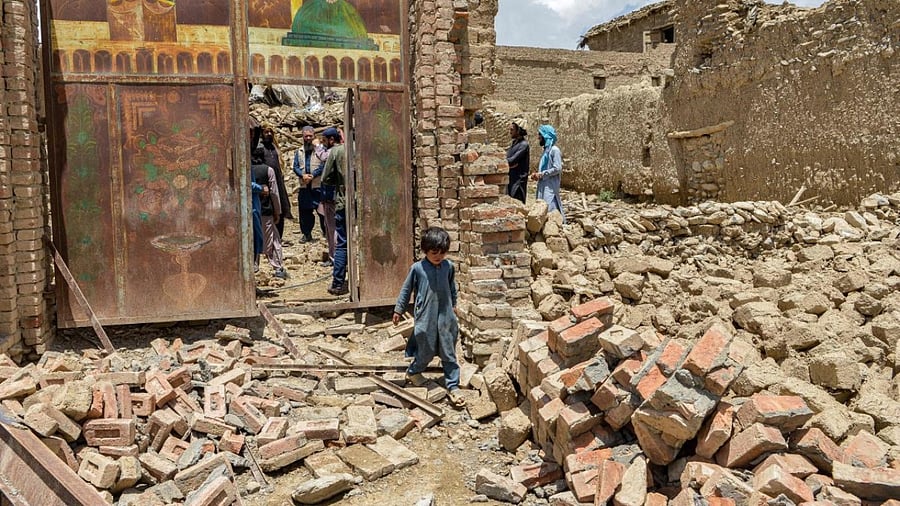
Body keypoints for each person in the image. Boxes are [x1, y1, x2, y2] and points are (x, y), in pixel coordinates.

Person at [392, 227, 465, 408]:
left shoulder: (449, 267)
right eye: (434, 252)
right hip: (426, 316)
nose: (438, 256)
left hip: (446, 315)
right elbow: (406, 290)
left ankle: (453, 385)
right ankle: (414, 371)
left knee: (449, 350)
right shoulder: (417, 269)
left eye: (442, 252)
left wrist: (454, 305)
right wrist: (398, 310)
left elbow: (452, 288)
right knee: (425, 347)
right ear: (425, 250)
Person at [250, 146, 288, 279]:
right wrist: (278, 211)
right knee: (273, 239)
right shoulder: (268, 170)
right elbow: (274, 193)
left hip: (250, 211)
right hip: (265, 210)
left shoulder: (247, 170)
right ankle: (278, 267)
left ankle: (254, 265)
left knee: (253, 239)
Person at [320, 127, 348, 295]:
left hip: (343, 202)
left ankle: (338, 284)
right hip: (364, 204)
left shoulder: (335, 152)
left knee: (343, 244)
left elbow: (325, 178)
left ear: (331, 140)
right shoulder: (357, 147)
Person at [292, 126, 327, 243]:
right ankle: (306, 234)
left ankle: (326, 233)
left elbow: (323, 165)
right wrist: (302, 175)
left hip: (317, 185)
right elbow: (295, 166)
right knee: (305, 212)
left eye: (310, 136)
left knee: (322, 211)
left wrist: (313, 175)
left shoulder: (320, 150)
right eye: (305, 136)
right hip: (304, 186)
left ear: (314, 136)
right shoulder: (299, 151)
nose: (308, 138)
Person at [260, 124, 293, 239]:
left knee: (281, 209)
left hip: (278, 182)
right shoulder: (260, 149)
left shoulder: (274, 148)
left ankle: (279, 236)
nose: (268, 134)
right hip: (267, 183)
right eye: (266, 132)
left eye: (270, 132)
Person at [531, 124, 565, 222]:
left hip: (550, 187)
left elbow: (557, 168)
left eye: (540, 135)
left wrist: (542, 174)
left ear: (546, 136)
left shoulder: (554, 150)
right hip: (543, 185)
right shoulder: (546, 151)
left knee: (550, 209)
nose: (538, 137)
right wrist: (538, 175)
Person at [506, 118, 529, 204]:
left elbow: (512, 160)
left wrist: (508, 163)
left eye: (512, 129)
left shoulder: (523, 145)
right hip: (511, 179)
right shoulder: (515, 143)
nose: (510, 132)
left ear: (518, 130)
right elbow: (508, 159)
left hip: (518, 183)